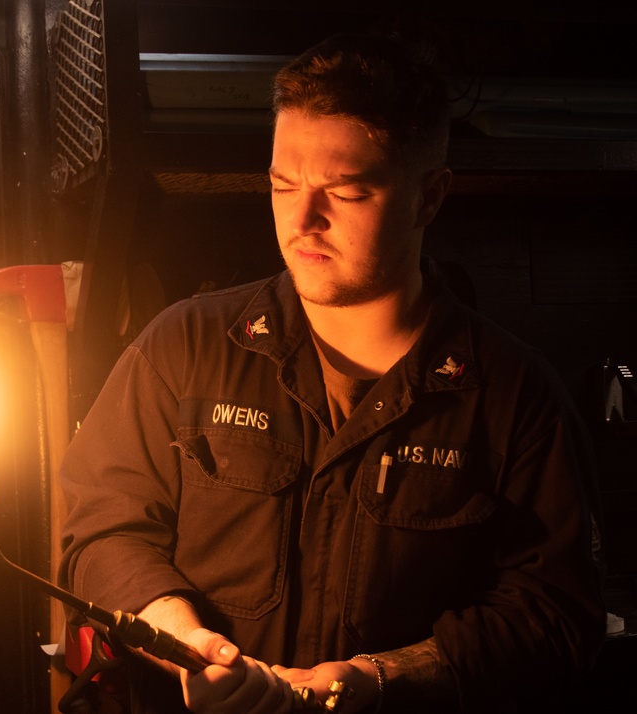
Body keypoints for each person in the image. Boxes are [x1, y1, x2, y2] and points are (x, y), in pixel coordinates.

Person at [58, 31, 605, 714]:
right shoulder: (183, 347)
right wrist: (181, 639)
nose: (302, 219)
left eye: (345, 192)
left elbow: (554, 612)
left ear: (429, 198)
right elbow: (102, 530)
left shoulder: (512, 398)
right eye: (284, 184)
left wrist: (382, 678)